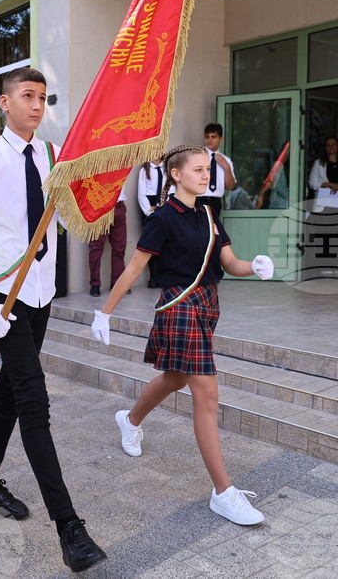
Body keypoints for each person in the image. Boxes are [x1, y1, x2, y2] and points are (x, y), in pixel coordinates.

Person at [0, 67, 107, 573]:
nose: (37, 105)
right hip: (4, 297)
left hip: (39, 294)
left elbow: (61, 218)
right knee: (34, 400)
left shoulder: (50, 156)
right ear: (4, 102)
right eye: (27, 96)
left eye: (42, 97)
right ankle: (70, 529)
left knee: (11, 390)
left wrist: (90, 189)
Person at [91, 144, 275, 527]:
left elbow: (229, 262)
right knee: (206, 393)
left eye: (208, 169)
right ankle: (223, 492)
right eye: (198, 169)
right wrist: (104, 312)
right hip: (179, 304)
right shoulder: (162, 219)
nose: (206, 174)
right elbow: (133, 268)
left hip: (208, 303)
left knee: (175, 378)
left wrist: (253, 266)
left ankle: (131, 419)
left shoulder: (208, 213)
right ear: (176, 174)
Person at [87, 172, 131, 297]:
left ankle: (117, 283)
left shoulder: (122, 163)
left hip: (119, 206)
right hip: (100, 206)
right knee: (95, 247)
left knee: (119, 247)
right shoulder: (98, 162)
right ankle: (95, 284)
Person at [137, 158, 166, 288]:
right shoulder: (144, 170)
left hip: (165, 207)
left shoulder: (167, 168)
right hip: (149, 208)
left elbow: (172, 190)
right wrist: (150, 213)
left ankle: (164, 276)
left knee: (165, 244)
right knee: (151, 244)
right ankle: (153, 277)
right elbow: (141, 194)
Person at [197, 123, 235, 217]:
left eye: (213, 137)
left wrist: (226, 168)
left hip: (216, 202)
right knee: (199, 229)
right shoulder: (197, 156)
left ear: (220, 139)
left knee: (213, 230)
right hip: (198, 200)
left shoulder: (226, 160)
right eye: (207, 137)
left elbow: (230, 186)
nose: (210, 140)